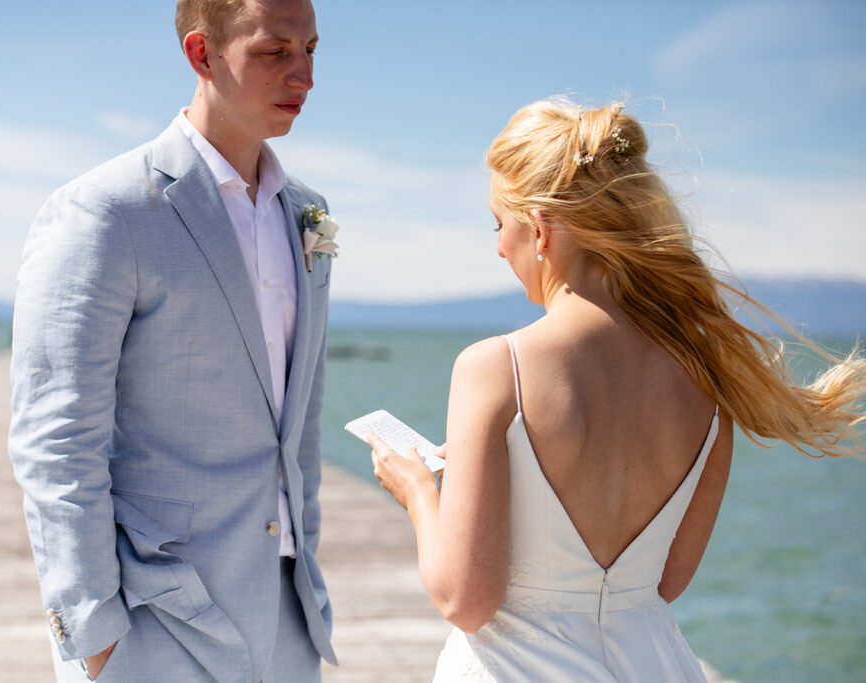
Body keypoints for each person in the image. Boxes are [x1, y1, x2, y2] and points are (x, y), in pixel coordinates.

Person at [367, 98, 865, 682]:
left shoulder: (495, 366)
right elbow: (667, 581)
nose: (499, 246)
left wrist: (420, 492)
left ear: (541, 228)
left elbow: (465, 601)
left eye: (499, 224)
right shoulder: (710, 373)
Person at [8, 1, 338, 681]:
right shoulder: (106, 211)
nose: (303, 73)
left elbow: (300, 424)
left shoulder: (308, 211)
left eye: (311, 48)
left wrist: (308, 582)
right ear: (201, 54)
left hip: (287, 622)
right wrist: (95, 632)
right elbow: (54, 437)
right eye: (276, 51)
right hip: (154, 622)